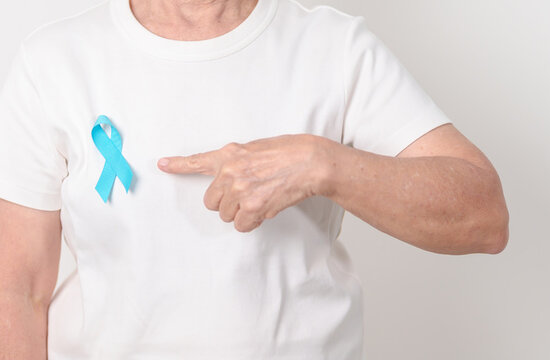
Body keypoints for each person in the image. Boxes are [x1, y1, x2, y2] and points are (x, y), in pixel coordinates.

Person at [0, 0, 509, 358]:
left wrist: (321, 164)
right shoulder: (53, 62)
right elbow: (17, 291)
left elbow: (483, 216)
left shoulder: (335, 48)